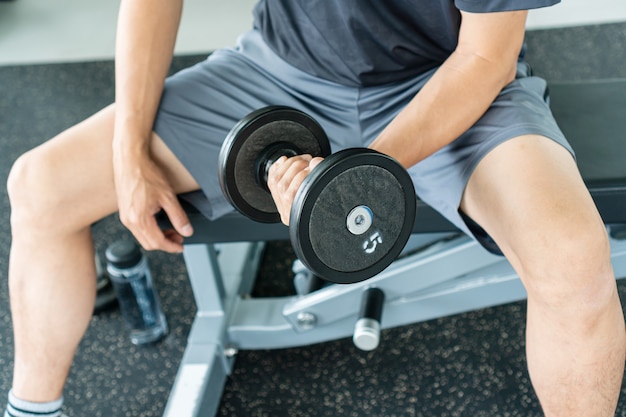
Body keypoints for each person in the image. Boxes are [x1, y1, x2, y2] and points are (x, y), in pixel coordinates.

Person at [5, 1, 625, 416]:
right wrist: (128, 148)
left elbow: (484, 58)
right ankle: (31, 408)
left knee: (573, 259)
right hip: (276, 76)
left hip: (449, 85)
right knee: (39, 187)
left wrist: (350, 176)